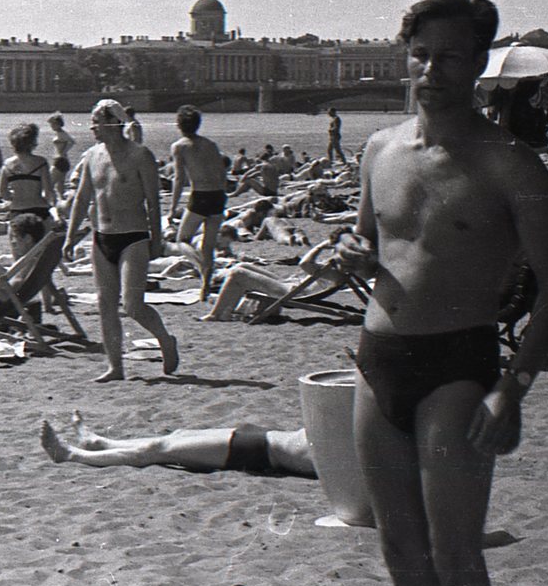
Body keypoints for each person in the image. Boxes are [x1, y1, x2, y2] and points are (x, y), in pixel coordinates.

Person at [342, 0, 548, 586]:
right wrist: (350, 255)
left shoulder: (512, 165)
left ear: (477, 65)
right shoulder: (379, 150)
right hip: (376, 358)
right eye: (419, 56)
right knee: (398, 550)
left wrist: (512, 387)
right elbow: (367, 239)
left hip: (457, 369)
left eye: (448, 58)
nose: (430, 72)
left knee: (456, 558)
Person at [62, 99, 180, 382]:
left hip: (134, 237)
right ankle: (115, 367)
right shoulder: (91, 156)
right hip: (102, 237)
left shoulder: (140, 155)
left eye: (96, 122)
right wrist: (70, 236)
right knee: (105, 304)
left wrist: (156, 239)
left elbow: (153, 201)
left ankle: (165, 339)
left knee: (132, 304)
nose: (92, 128)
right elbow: (81, 199)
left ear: (113, 123)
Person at [39, 411, 314, 477]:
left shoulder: (346, 454)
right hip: (260, 440)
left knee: (155, 452)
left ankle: (70, 454)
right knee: (176, 436)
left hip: (259, 453)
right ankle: (98, 441)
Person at [201, 231, 349, 322]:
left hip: (293, 292)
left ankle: (216, 315)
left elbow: (304, 263)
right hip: (292, 285)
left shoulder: (336, 270)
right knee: (241, 266)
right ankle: (226, 311)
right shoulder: (338, 267)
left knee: (237, 274)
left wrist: (320, 247)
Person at [167, 105, 228, 301]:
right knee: (208, 246)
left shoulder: (180, 146)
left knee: (182, 239)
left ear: (179, 125)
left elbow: (178, 179)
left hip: (200, 195)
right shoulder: (210, 144)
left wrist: (172, 207)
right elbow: (221, 173)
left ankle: (202, 266)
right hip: (218, 195)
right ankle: (205, 287)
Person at [0, 122, 57, 221]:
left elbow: (2, 193)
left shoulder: (7, 165)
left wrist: (16, 197)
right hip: (39, 209)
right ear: (32, 143)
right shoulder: (41, 162)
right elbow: (48, 191)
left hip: (17, 210)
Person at [46, 114, 75, 187]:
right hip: (60, 160)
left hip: (60, 160)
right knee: (60, 186)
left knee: (49, 183)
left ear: (58, 124)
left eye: (53, 124)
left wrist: (63, 151)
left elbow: (71, 142)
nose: (51, 126)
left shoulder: (62, 134)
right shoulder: (58, 133)